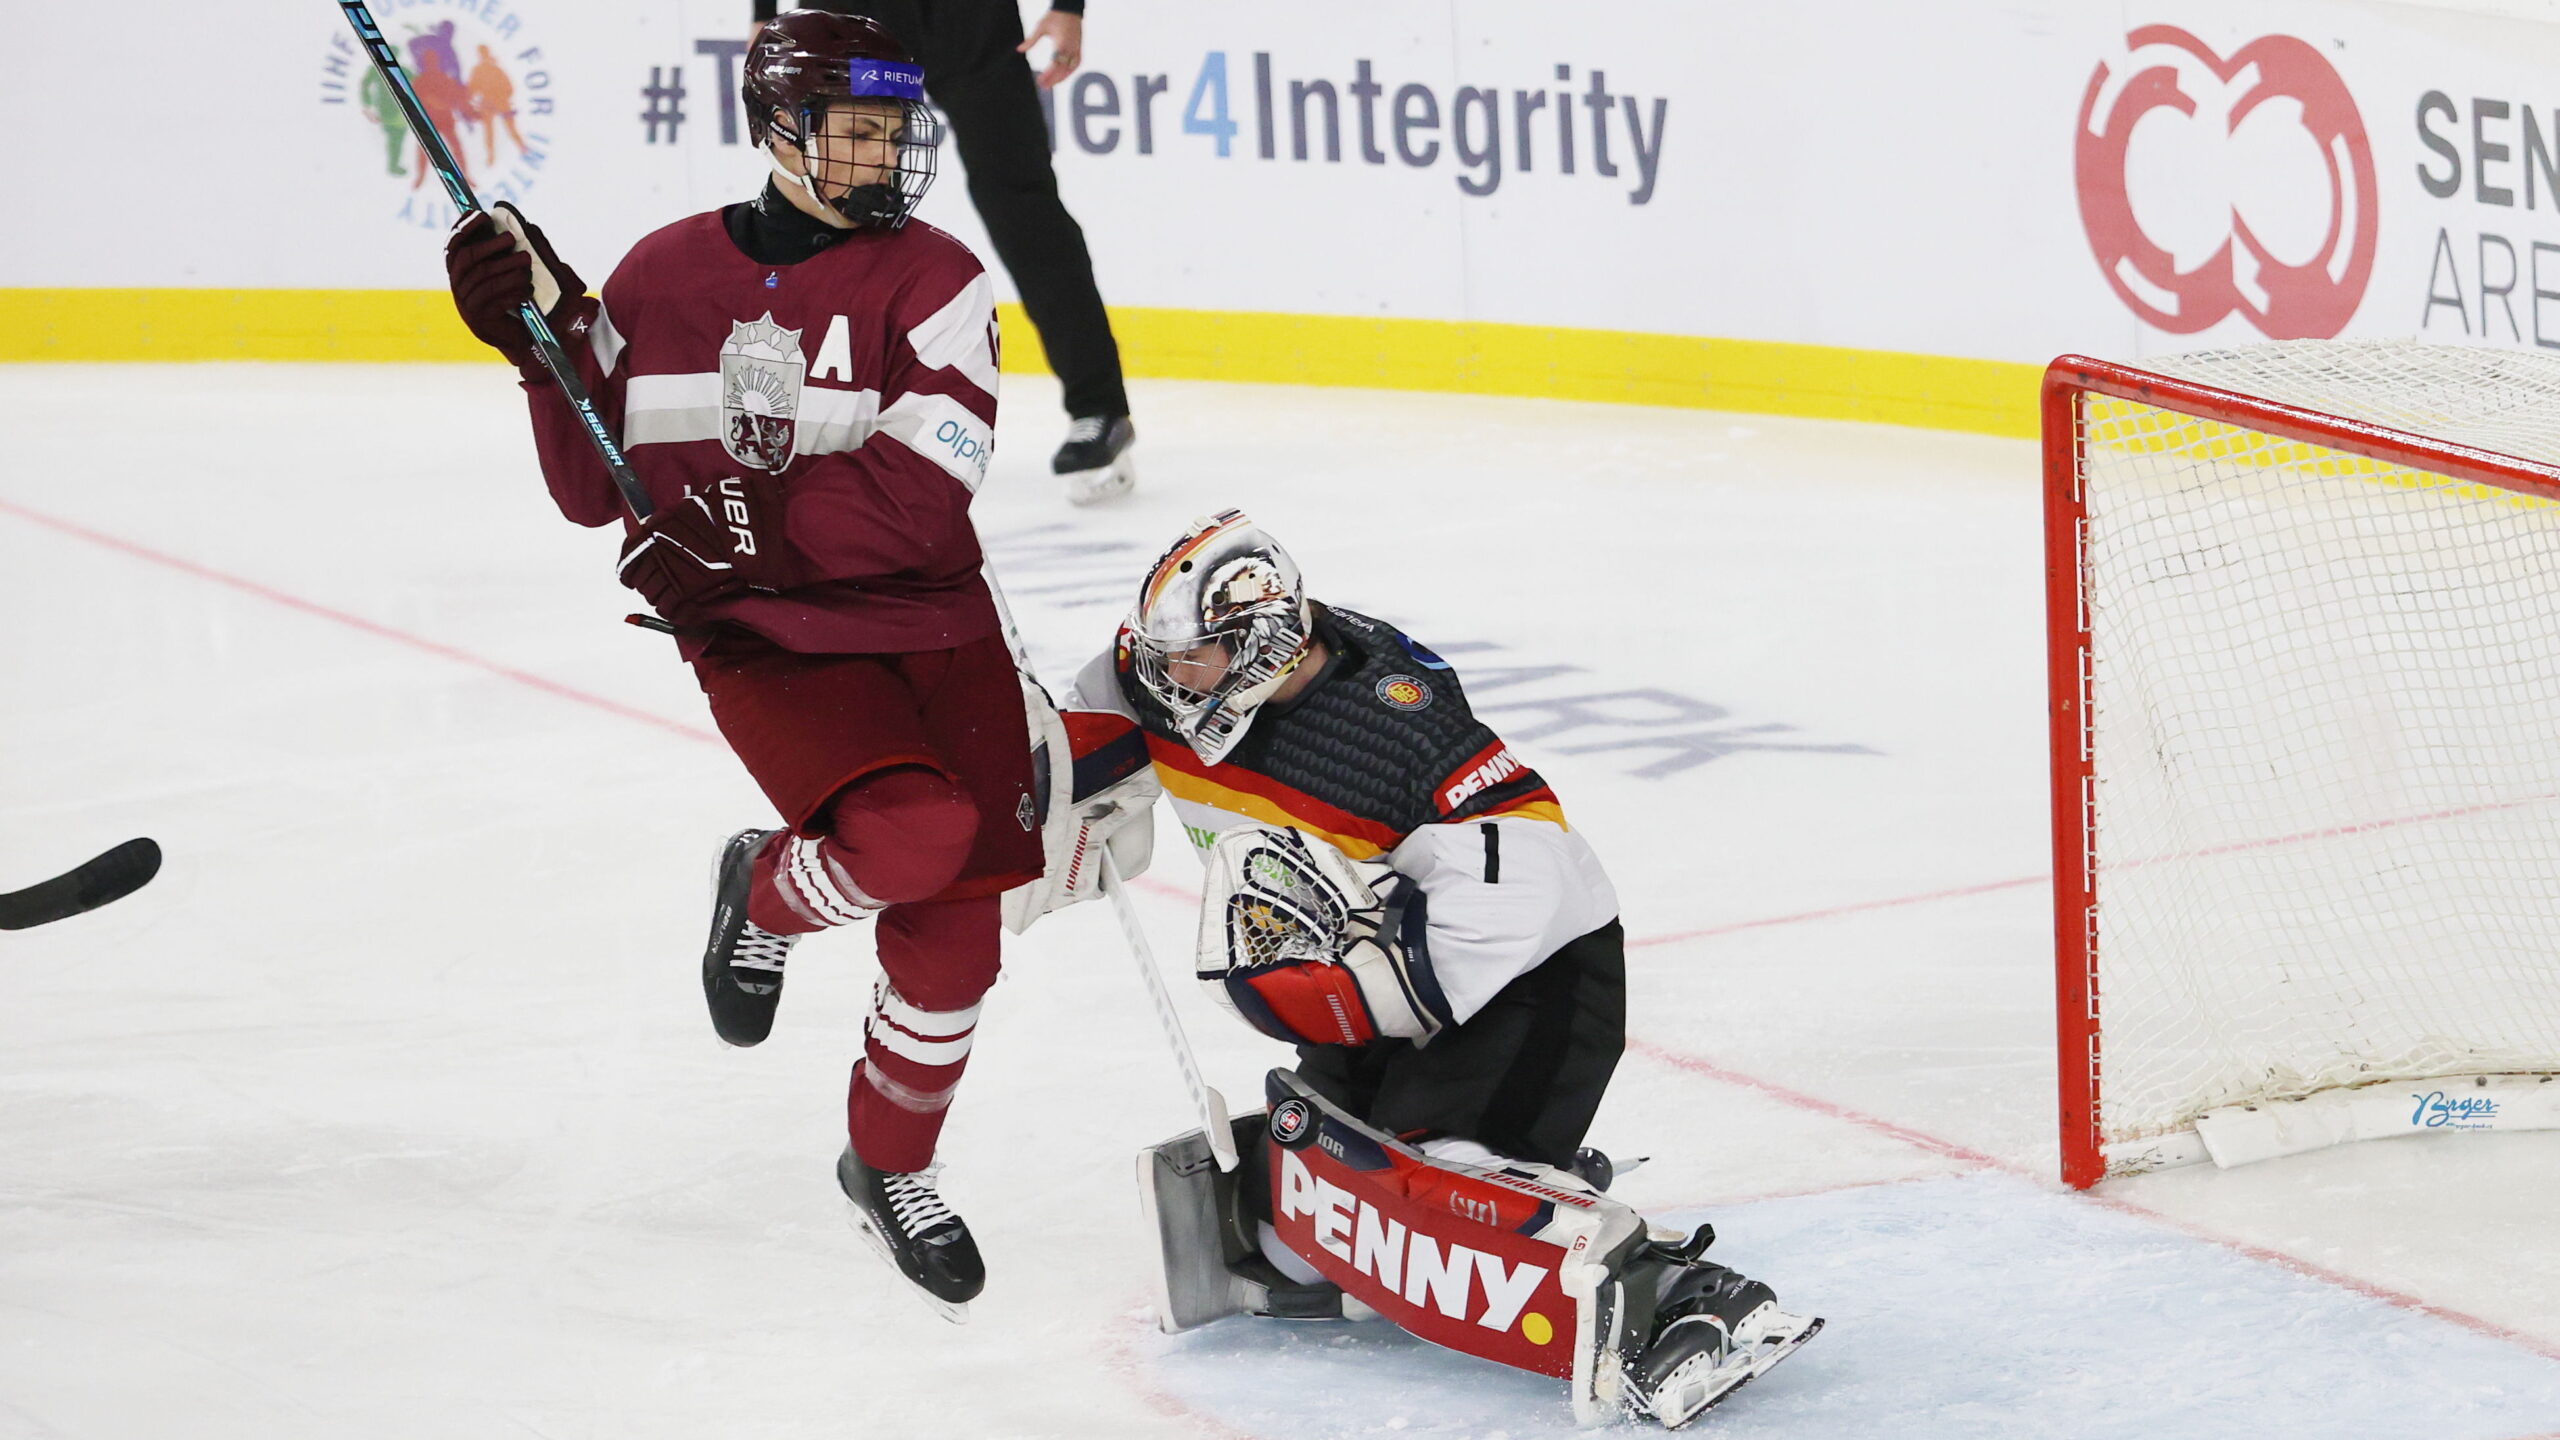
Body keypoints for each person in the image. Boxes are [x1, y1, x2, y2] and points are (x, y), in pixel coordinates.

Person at [439, 11, 1042, 1322]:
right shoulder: (662, 277)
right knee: (912, 834)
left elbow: (922, 498)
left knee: (955, 951)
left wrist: (730, 524)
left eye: (895, 130)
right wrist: (539, 347)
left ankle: (889, 1167)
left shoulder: (938, 279)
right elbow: (594, 488)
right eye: (856, 131)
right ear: (779, 129)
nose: (885, 154)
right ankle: (766, 892)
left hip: (937, 623)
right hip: (769, 636)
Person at [1006, 511, 1821, 1426]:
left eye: (1191, 658)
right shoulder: (1158, 683)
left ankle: (1678, 1295)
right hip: (1373, 950)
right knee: (1303, 1231)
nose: (1167, 677)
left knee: (1435, 1186)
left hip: (1530, 977)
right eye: (1165, 655)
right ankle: (1516, 1166)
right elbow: (1082, 736)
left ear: (1262, 647)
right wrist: (1039, 794)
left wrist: (1363, 997)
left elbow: (1534, 880)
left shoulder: (1395, 734)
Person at [757, 0, 1139, 504]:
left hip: (969, 18)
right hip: (852, 17)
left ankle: (1098, 407)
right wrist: (763, 15)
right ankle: (839, 413)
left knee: (1023, 209)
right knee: (844, 200)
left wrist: (1068, 7)